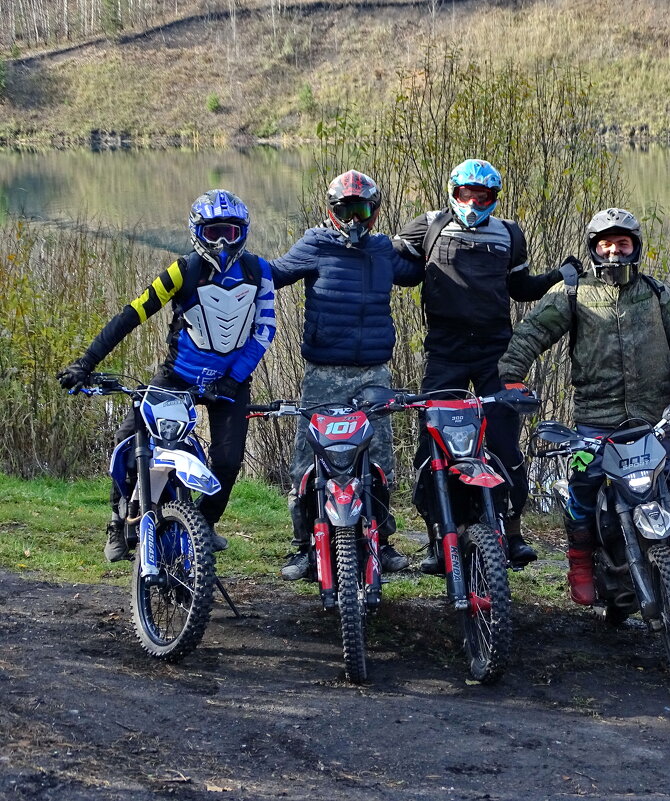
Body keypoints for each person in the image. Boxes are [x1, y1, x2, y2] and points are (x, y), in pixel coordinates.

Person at [498, 208, 670, 605]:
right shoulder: (573, 293)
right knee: (584, 488)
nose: (613, 252)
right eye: (605, 244)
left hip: (656, 420)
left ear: (635, 248)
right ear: (593, 248)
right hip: (595, 420)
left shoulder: (662, 295)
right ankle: (579, 559)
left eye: (622, 243)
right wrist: (511, 376)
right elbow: (532, 333)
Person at [57, 189, 276, 561]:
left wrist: (235, 377)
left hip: (230, 382)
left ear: (244, 233)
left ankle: (203, 526)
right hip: (177, 378)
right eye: (212, 233)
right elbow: (132, 314)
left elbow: (264, 331)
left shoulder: (259, 272)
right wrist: (86, 363)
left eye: (231, 232)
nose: (222, 242)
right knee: (129, 440)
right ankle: (119, 522)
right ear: (196, 233)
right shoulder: (183, 270)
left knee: (228, 460)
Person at [393, 158, 577, 573]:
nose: (473, 203)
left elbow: (519, 289)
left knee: (505, 442)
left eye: (483, 197)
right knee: (431, 447)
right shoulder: (428, 225)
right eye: (466, 195)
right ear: (453, 192)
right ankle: (440, 542)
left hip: (497, 352)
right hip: (444, 352)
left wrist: (557, 276)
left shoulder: (510, 233)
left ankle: (512, 535)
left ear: (494, 198)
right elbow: (391, 264)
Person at [271, 170, 424, 580]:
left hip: (374, 372)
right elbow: (275, 273)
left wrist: (431, 229)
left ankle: (383, 542)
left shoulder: (382, 250)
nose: (355, 219)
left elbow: (421, 270)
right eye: (346, 210)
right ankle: (304, 546)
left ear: (374, 212)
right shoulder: (315, 243)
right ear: (331, 211)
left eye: (363, 210)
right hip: (322, 372)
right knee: (307, 463)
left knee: (380, 463)